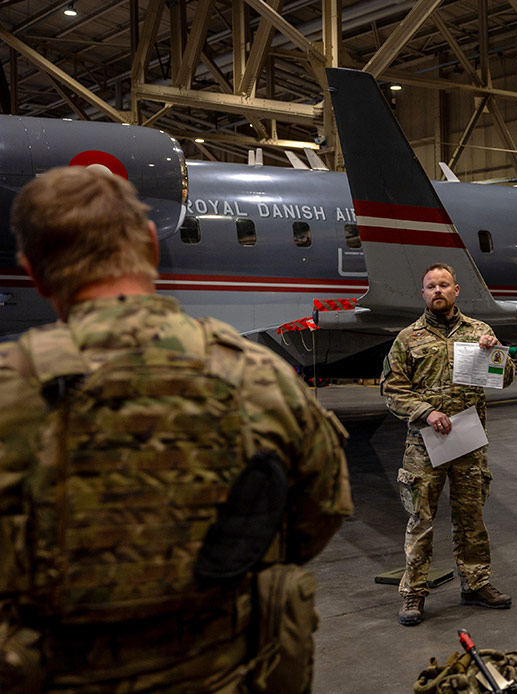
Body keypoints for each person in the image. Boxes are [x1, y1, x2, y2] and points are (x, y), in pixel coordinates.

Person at [0, 166, 353, 692]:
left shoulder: (12, 392)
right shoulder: (258, 377)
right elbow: (317, 516)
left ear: (33, 269)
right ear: (150, 243)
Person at [383, 263, 515, 626]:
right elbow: (392, 390)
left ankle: (475, 584)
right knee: (421, 519)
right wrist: (425, 412)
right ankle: (413, 594)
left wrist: (494, 352)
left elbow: (503, 379)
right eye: (430, 286)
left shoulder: (480, 333)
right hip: (424, 445)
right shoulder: (408, 338)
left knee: (471, 516)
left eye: (444, 285)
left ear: (457, 290)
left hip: (469, 441)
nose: (437, 290)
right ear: (423, 294)